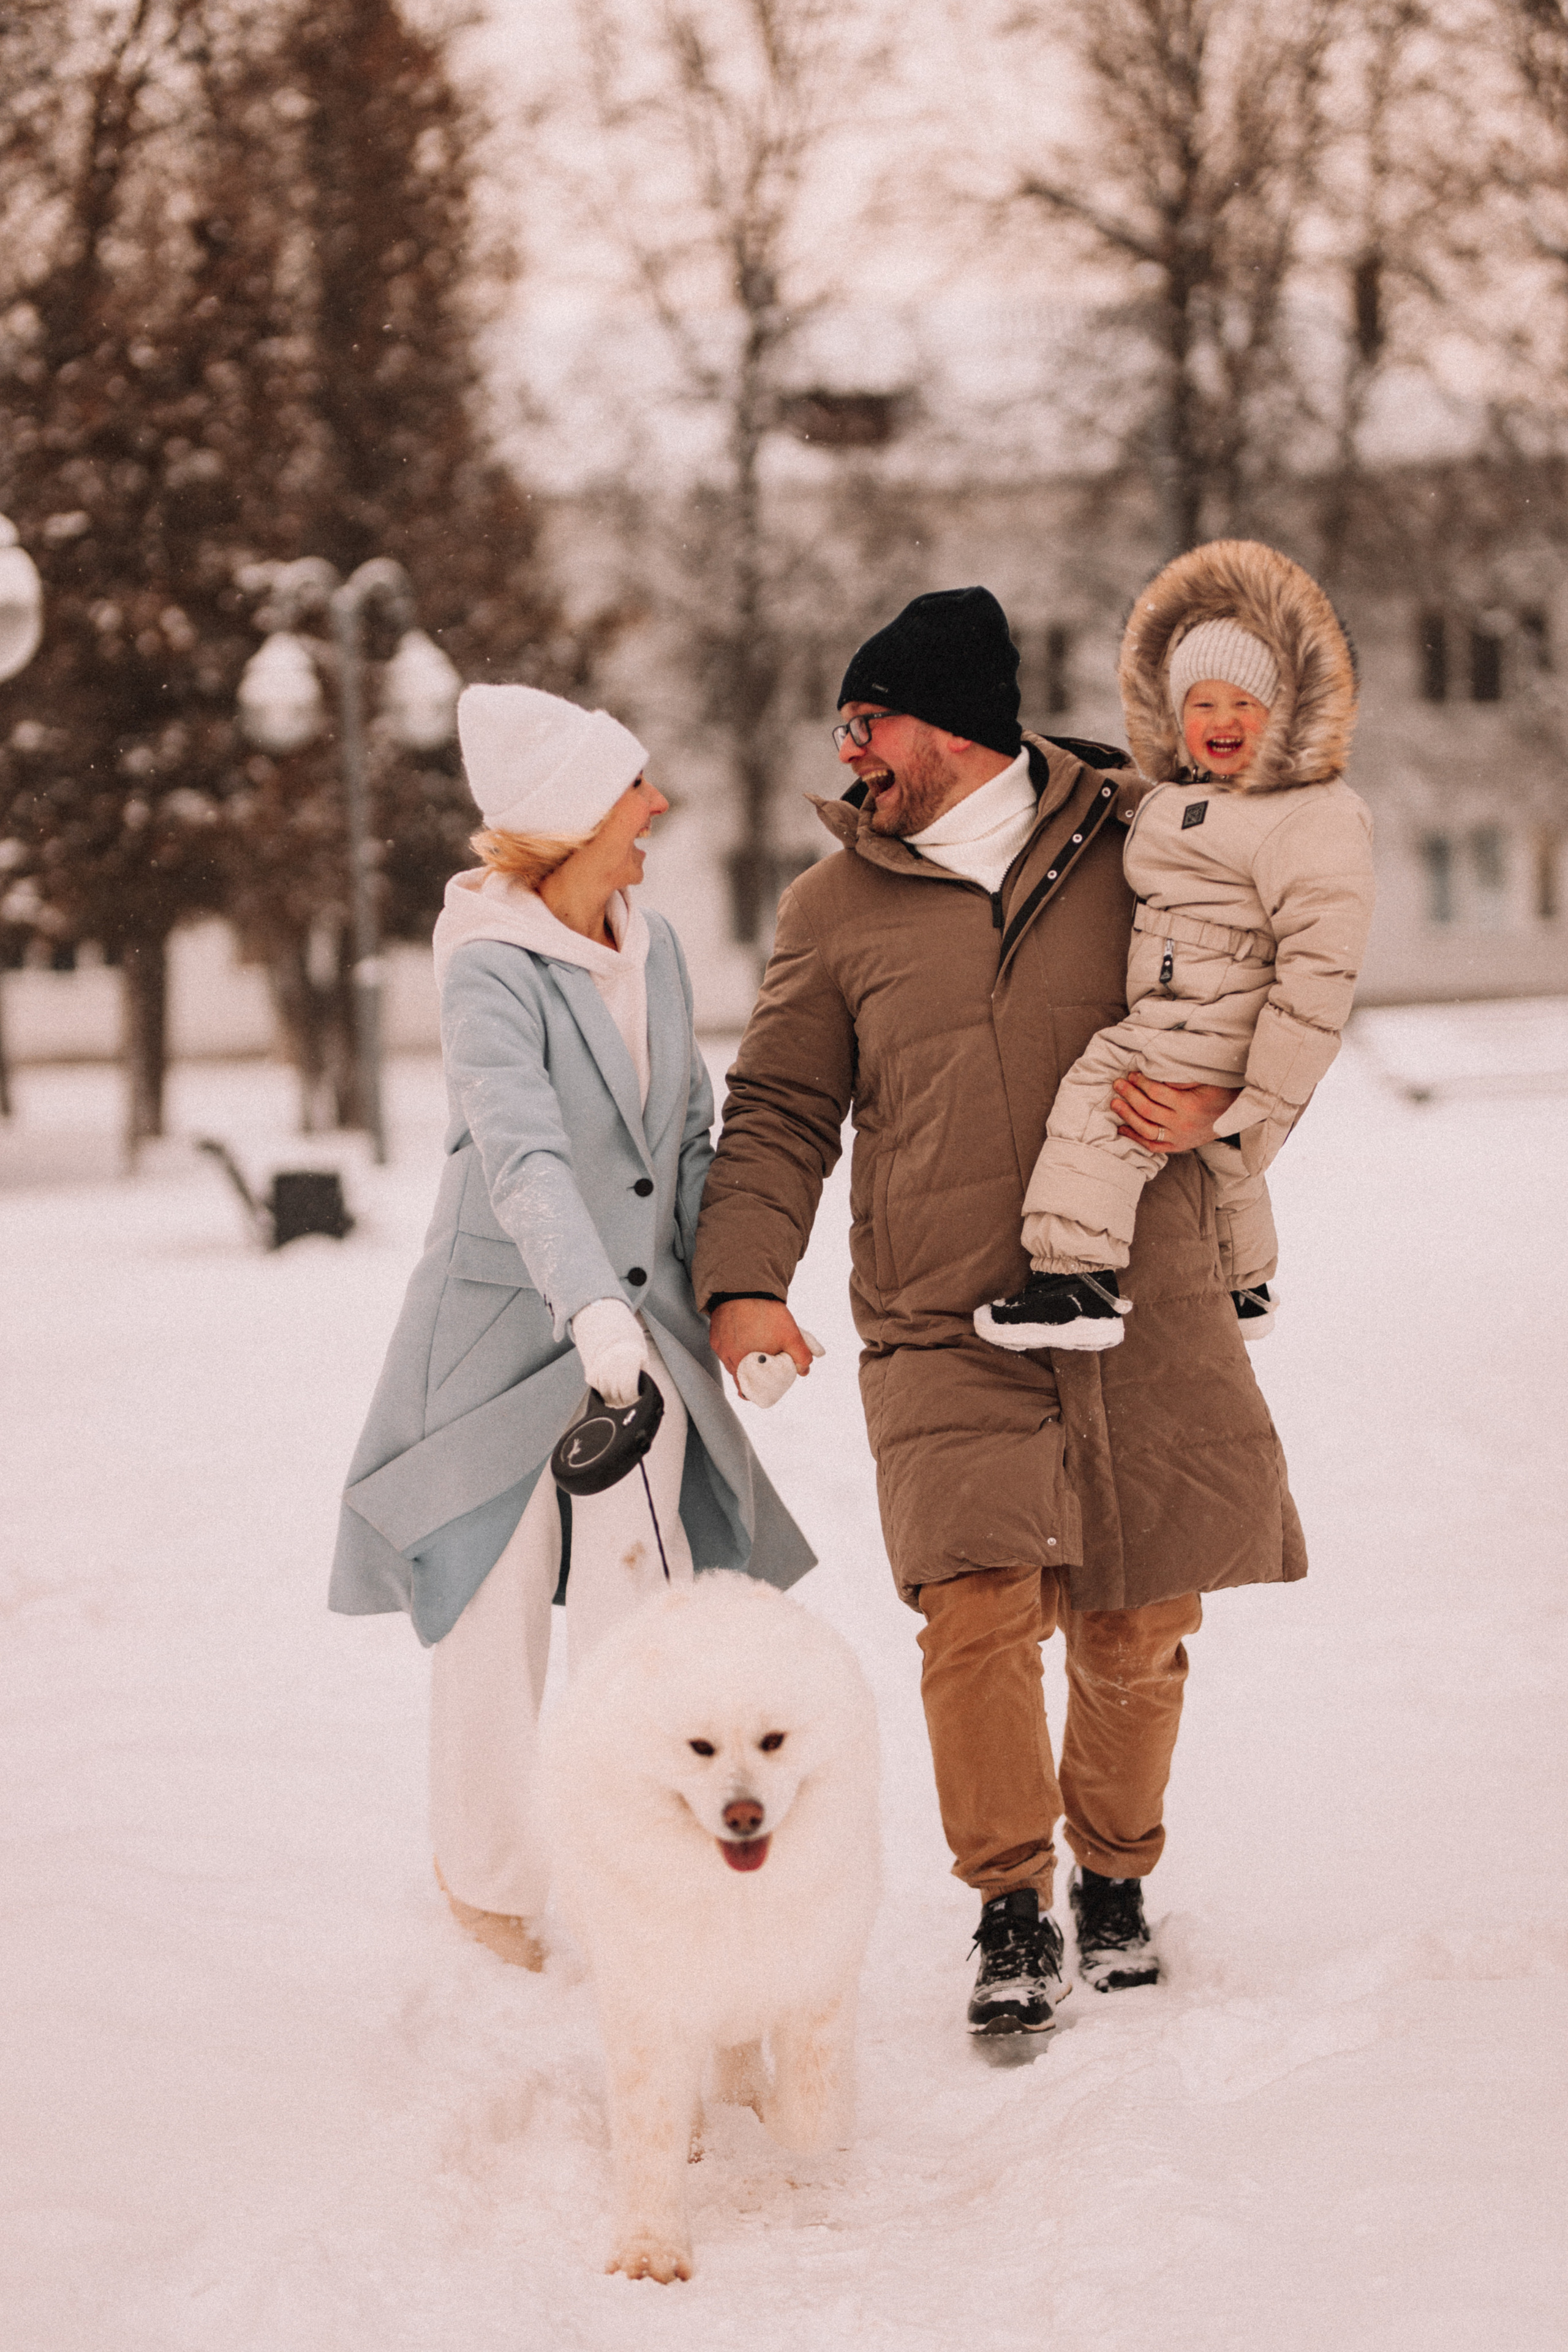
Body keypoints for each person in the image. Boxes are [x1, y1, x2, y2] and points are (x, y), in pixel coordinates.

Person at [692, 585, 1306, 2037]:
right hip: (940, 1311)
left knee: (1137, 1621)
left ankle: (1112, 1876)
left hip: (1140, 1295)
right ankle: (1010, 1906)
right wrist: (741, 1281)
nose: (850, 756)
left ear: (957, 726)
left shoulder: (1150, 844)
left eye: (869, 722)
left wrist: (1227, 1095)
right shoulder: (832, 905)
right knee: (971, 1615)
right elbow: (780, 1104)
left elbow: (1271, 984)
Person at [330, 683, 815, 1967]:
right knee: (486, 1615)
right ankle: (490, 1889)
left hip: (640, 1338)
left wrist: (730, 1298)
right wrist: (590, 1314)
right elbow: (522, 1157)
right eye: (632, 789)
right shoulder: (487, 964)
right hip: (502, 1344)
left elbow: (688, 1139)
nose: (656, 805)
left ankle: (639, 1878)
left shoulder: (649, 945)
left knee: (639, 1609)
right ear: (570, 819)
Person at [975, 540, 1374, 1352]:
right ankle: (1245, 1283)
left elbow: (1320, 971)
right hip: (1191, 1004)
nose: (1221, 722)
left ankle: (1074, 1278)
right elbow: (1134, 814)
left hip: (1218, 1013)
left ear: (1287, 714)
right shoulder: (1182, 801)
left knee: (1103, 1097)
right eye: (1202, 704)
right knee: (1221, 1165)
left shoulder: (1311, 812)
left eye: (1245, 704)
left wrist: (1256, 1108)